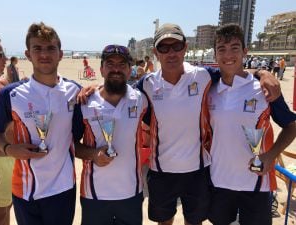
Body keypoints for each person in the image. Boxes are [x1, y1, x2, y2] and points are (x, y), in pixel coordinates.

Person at [136, 23, 281, 225]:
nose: (171, 53)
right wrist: (95, 90)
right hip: (161, 171)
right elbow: (120, 94)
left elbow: (233, 69)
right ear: (155, 52)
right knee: (164, 222)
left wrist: (262, 74)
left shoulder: (203, 76)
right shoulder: (146, 84)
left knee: (194, 222)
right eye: (164, 48)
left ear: (185, 48)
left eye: (176, 46)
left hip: (198, 171)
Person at [207, 24, 296, 225]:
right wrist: (261, 71)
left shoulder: (264, 88)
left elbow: (291, 125)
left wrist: (270, 155)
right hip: (218, 182)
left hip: (256, 183)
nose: (228, 54)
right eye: (222, 49)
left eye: (234, 48)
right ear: (215, 54)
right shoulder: (209, 87)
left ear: (245, 52)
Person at [0, 22, 82, 225]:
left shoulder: (75, 91)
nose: (45, 54)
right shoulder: (11, 94)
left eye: (51, 48)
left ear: (60, 54)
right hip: (25, 189)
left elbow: (79, 134)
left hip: (63, 188)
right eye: (37, 48)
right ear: (28, 54)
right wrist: (8, 149)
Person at [75, 45, 148, 225]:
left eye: (122, 64)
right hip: (94, 194)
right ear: (101, 69)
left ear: (129, 70)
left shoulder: (141, 99)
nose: (116, 69)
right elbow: (71, 144)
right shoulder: (84, 102)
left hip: (131, 192)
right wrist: (93, 154)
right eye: (110, 64)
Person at [0, 36, 15, 225]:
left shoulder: (2, 84)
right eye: (1, 54)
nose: (5, 58)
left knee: (5, 208)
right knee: (0, 213)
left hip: (7, 157)